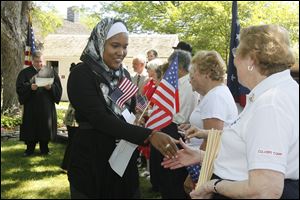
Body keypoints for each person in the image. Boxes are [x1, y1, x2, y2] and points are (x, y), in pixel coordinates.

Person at [162, 24, 299, 199]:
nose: (233, 61)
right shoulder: (278, 93)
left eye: (236, 53)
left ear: (251, 60)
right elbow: (245, 153)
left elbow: (264, 190)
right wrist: (202, 156)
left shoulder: (270, 103)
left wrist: (213, 185)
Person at [66, 18, 178, 199]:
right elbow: (99, 118)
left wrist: (138, 117)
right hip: (92, 162)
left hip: (124, 162)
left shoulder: (123, 74)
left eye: (125, 46)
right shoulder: (81, 74)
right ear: (100, 43)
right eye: (115, 46)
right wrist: (149, 134)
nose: (121, 52)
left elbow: (130, 108)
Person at [178, 50, 238, 193]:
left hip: (206, 165)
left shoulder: (215, 97)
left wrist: (195, 175)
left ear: (207, 73)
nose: (190, 79)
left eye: (193, 74)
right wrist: (194, 127)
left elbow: (212, 140)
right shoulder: (213, 94)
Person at [149, 50, 198, 199]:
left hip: (175, 129)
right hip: (171, 128)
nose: (169, 71)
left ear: (180, 68)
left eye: (171, 67)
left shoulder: (186, 85)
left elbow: (178, 113)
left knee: (173, 176)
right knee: (166, 175)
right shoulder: (180, 84)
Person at [16, 50, 62, 156]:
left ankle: (44, 149)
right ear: (32, 61)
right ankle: (29, 149)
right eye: (36, 61)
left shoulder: (51, 72)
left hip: (46, 106)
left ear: (44, 61)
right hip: (31, 106)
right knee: (31, 127)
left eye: (41, 61)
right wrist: (29, 87)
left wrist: (51, 88)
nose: (39, 64)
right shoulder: (24, 73)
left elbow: (58, 88)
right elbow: (19, 88)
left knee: (45, 127)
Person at [61, 63, 78, 171]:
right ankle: (67, 165)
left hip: (71, 118)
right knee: (73, 143)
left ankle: (67, 165)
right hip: (73, 119)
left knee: (72, 143)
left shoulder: (73, 82)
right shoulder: (76, 84)